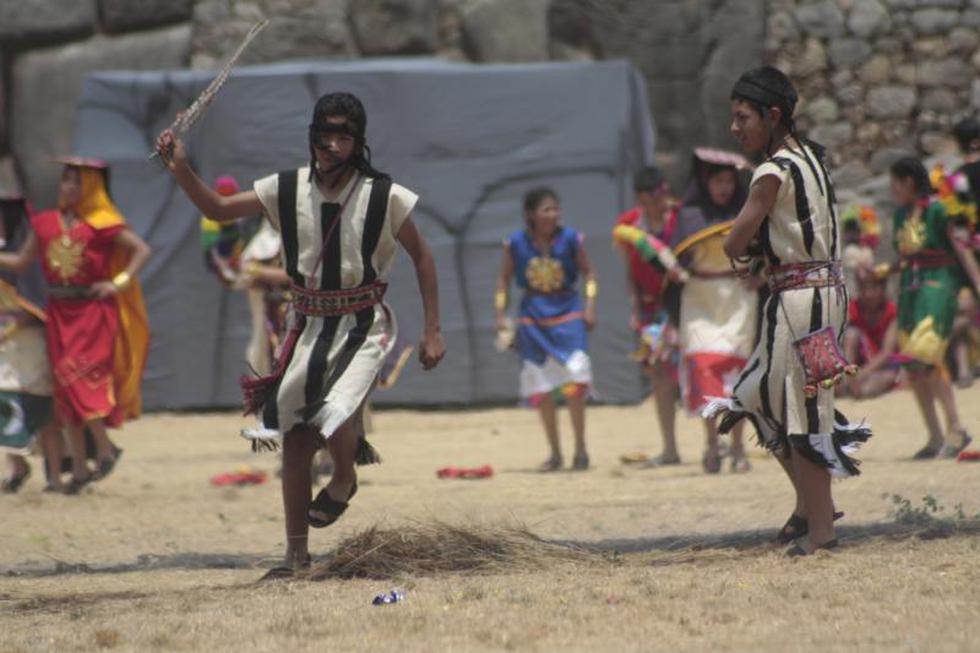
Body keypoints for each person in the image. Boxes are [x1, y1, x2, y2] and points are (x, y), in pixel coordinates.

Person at [156, 91, 445, 576]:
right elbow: (219, 209)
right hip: (306, 326)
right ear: (311, 136)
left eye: (343, 135)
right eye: (323, 133)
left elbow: (424, 256)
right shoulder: (285, 188)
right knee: (294, 441)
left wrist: (433, 329)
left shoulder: (385, 195)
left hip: (362, 326)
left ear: (359, 142)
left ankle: (343, 479)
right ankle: (295, 558)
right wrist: (180, 167)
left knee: (332, 414)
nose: (331, 144)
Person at [704, 66, 870, 555]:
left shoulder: (772, 169)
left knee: (803, 414)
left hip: (801, 305)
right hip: (820, 297)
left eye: (742, 117)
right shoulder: (812, 160)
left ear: (773, 116)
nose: (735, 128)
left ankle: (822, 534)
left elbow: (734, 238)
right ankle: (808, 507)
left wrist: (745, 248)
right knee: (757, 395)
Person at [0, 160, 151, 494]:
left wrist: (118, 282)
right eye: (65, 181)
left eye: (75, 182)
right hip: (58, 312)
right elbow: (22, 262)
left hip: (93, 311)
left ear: (91, 187)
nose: (67, 188)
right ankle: (81, 468)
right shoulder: (45, 223)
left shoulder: (103, 225)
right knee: (64, 391)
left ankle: (105, 448)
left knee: (82, 377)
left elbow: (142, 250)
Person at [495, 187, 596, 471]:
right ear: (531, 214)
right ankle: (555, 453)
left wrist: (589, 307)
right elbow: (503, 282)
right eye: (546, 209)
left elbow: (589, 274)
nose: (553, 214)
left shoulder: (572, 240)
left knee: (576, 379)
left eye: (555, 208)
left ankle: (581, 449)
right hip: (533, 321)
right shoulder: (515, 243)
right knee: (541, 386)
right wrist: (501, 315)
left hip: (568, 316)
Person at [670, 148, 756, 474]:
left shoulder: (747, 212)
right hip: (699, 300)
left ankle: (737, 448)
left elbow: (767, 249)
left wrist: (758, 275)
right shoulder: (689, 214)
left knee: (737, 378)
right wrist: (677, 271)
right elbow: (678, 255)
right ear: (705, 183)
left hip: (737, 300)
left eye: (728, 181)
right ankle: (711, 444)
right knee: (704, 373)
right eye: (717, 181)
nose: (724, 188)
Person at [889, 157, 980, 458]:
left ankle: (956, 428)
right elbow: (904, 257)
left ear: (910, 182)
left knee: (925, 356)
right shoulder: (900, 215)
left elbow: (960, 248)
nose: (892, 188)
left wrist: (978, 284)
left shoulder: (939, 210)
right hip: (909, 292)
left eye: (896, 182)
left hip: (938, 287)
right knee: (913, 366)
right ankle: (935, 436)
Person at [614, 167, 682, 466]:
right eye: (645, 200)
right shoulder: (629, 224)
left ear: (664, 191)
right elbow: (629, 270)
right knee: (658, 374)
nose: (652, 205)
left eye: (655, 198)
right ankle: (670, 447)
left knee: (693, 370)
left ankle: (715, 446)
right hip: (650, 308)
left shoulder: (682, 217)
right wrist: (634, 309)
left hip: (682, 302)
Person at [0, 197, 62, 493]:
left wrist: (10, 328)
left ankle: (53, 476)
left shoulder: (28, 259)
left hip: (30, 342)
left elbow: (33, 305)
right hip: (7, 346)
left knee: (41, 409)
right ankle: (17, 467)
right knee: (5, 407)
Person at [841, 264, 902, 399]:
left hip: (883, 367)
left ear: (883, 289)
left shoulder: (892, 311)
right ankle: (848, 380)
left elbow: (887, 353)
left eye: (873, 288)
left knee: (884, 379)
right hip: (856, 365)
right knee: (851, 334)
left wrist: (862, 374)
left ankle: (855, 388)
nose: (868, 294)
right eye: (863, 288)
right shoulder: (853, 308)